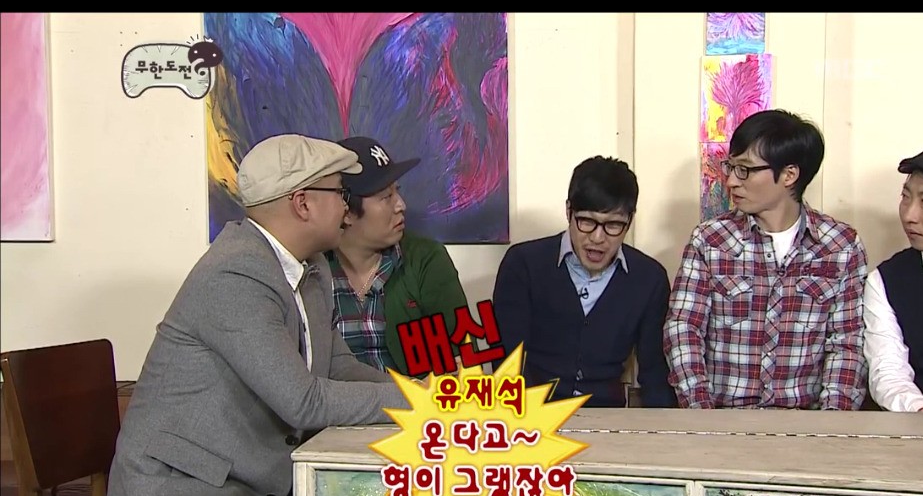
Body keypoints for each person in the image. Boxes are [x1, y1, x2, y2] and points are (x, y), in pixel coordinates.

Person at [105, 134, 409, 496]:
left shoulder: (311, 268)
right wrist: (415, 402)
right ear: (302, 204)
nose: (347, 207)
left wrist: (421, 394)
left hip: (252, 491)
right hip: (180, 495)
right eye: (341, 193)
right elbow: (303, 402)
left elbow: (337, 366)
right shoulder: (237, 274)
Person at [664, 109, 868, 410]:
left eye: (744, 170)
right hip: (722, 419)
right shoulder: (710, 241)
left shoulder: (840, 246)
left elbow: (847, 344)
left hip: (805, 424)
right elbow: (683, 330)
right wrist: (702, 416)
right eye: (730, 167)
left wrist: (831, 426)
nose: (731, 181)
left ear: (789, 175)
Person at [492, 156, 674, 408]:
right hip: (532, 414)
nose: (598, 238)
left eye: (613, 225)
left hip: (608, 415)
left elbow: (655, 374)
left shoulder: (649, 279)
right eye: (587, 222)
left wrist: (665, 429)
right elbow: (508, 362)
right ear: (569, 211)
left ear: (630, 220)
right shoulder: (523, 265)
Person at [326, 136, 468, 377]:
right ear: (346, 212)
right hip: (338, 401)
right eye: (386, 197)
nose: (401, 205)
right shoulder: (313, 269)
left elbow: (458, 360)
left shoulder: (424, 260)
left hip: (414, 399)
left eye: (397, 192)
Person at [865, 142, 923, 413]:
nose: (909, 215)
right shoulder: (887, 280)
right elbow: (888, 373)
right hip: (920, 425)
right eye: (905, 197)